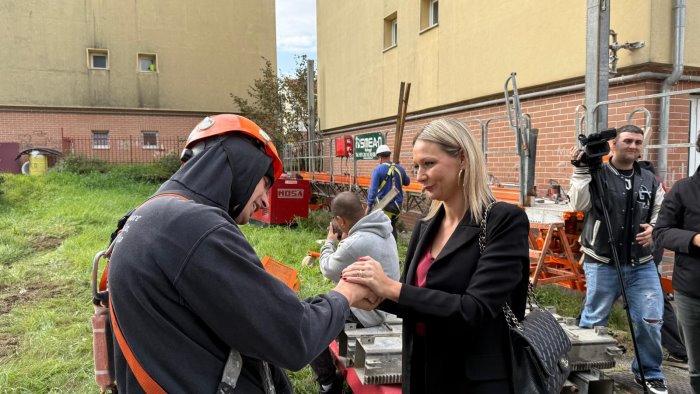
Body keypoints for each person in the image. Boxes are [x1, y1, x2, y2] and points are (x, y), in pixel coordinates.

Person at [108, 114, 375, 393]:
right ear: (243, 163)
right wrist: (346, 293)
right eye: (265, 184)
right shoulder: (194, 227)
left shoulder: (145, 217)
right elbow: (294, 337)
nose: (264, 201)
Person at [342, 118, 531, 393]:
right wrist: (377, 296)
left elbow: (473, 310)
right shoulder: (425, 226)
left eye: (429, 164)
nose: (419, 176)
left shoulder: (503, 221)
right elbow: (417, 298)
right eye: (417, 166)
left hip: (474, 381)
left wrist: (391, 287)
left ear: (463, 158)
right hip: (424, 371)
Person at [568, 124, 667, 394]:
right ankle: (584, 367)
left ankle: (650, 373)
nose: (633, 146)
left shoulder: (650, 178)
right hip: (601, 260)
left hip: (642, 264)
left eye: (637, 142)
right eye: (627, 141)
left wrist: (655, 228)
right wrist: (580, 170)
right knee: (594, 318)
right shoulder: (596, 172)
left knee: (650, 319)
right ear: (614, 144)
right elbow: (577, 205)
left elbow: (663, 210)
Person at [310, 191, 401, 394]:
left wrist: (330, 242)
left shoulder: (355, 243)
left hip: (368, 314)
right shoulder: (384, 230)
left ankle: (328, 382)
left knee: (310, 320)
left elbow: (327, 269)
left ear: (340, 220)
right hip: (387, 309)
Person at [653, 134, 700, 392]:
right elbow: (661, 232)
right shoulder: (684, 189)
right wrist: (694, 239)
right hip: (693, 291)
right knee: (698, 366)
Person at [638, 160, 688, 365]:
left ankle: (677, 348)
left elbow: (663, 218)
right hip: (648, 244)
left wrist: (651, 228)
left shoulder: (649, 182)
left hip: (647, 243)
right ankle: (678, 348)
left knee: (653, 295)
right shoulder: (654, 180)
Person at [366, 144, 410, 241]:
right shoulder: (400, 169)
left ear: (379, 157)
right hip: (396, 208)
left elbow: (373, 191)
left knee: (381, 230)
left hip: (384, 207)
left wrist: (369, 206)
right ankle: (393, 249)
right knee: (392, 228)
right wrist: (399, 171)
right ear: (389, 155)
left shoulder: (378, 170)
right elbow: (407, 182)